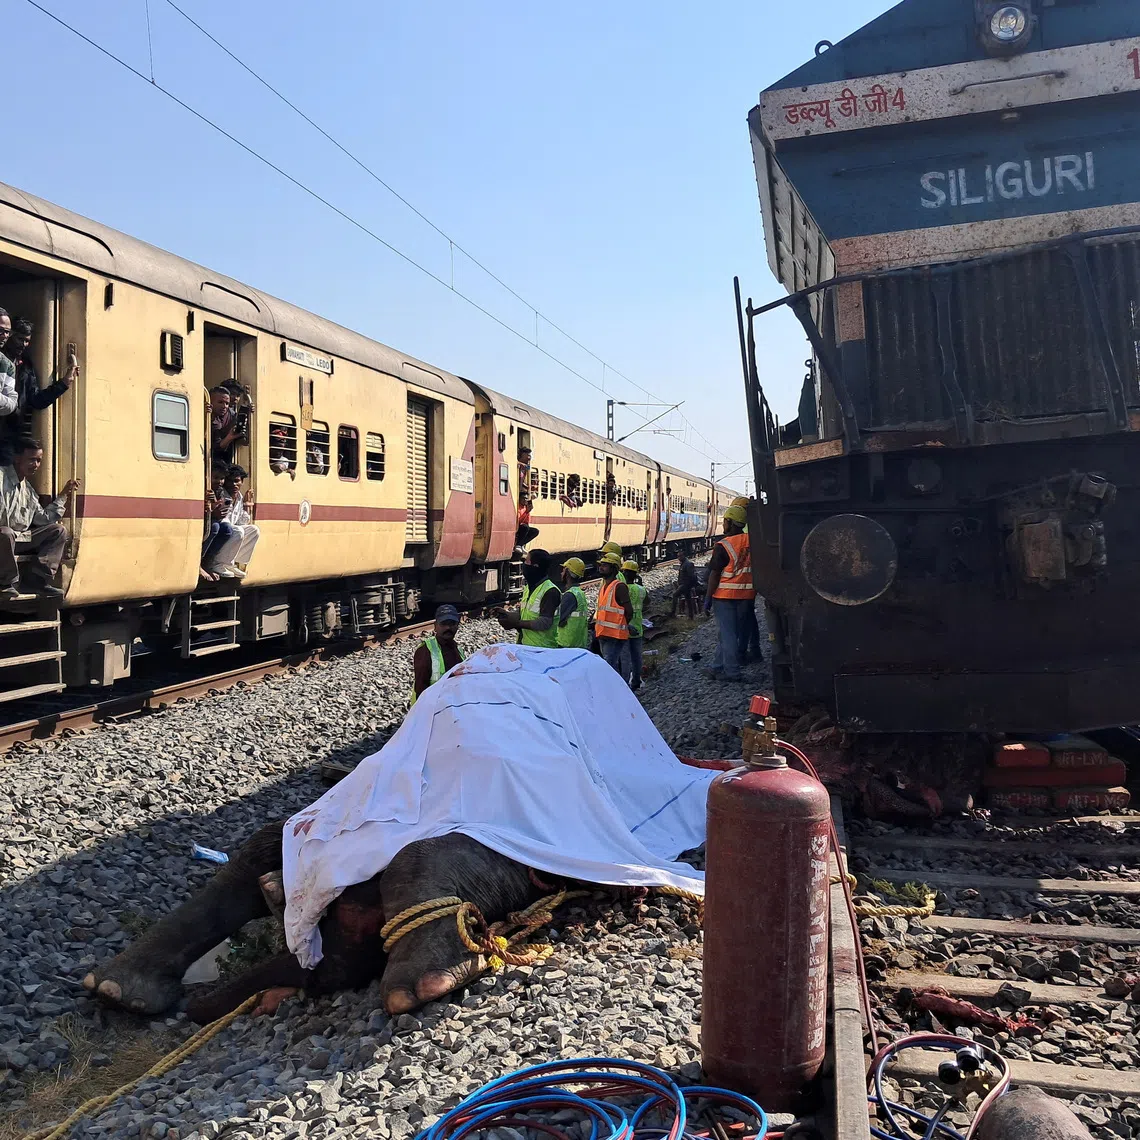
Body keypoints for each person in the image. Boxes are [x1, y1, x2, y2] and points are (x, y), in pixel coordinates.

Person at [0, 437, 79, 599]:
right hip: (3, 537)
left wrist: (63, 495)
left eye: (38, 460)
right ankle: (5, 583)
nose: (36, 465)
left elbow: (42, 519)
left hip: (19, 538)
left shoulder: (27, 489)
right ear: (17, 458)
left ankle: (38, 579)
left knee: (58, 530)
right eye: (31, 460)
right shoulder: (1, 477)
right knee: (5, 532)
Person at [0, 320, 75, 463]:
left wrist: (65, 381)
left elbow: (36, 400)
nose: (23, 344)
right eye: (20, 339)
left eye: (27, 341)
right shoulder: (2, 360)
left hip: (10, 435)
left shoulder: (25, 366)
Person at [704, 504, 755, 682]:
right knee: (729, 634)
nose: (723, 524)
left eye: (725, 521)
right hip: (746, 596)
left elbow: (714, 574)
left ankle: (732, 672)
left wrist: (708, 598)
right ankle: (717, 667)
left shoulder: (723, 545)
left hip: (724, 597)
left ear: (731, 523)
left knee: (728, 635)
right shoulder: (752, 541)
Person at [496, 548, 561, 647]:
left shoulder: (550, 591)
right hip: (527, 646)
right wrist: (507, 614)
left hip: (542, 649)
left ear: (535, 567)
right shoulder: (528, 588)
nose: (524, 564)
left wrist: (516, 624)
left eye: (527, 561)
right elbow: (525, 612)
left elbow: (545, 622)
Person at [212, 465, 260, 579]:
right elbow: (224, 521)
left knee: (254, 530)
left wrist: (246, 505)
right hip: (222, 530)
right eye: (230, 481)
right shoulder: (222, 494)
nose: (234, 484)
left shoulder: (239, 497)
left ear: (242, 482)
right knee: (238, 531)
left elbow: (241, 521)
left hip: (231, 530)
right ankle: (218, 563)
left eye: (237, 481)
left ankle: (232, 563)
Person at [411, 604, 465, 705]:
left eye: (452, 624)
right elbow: (420, 687)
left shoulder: (457, 649)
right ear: (435, 626)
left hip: (449, 705)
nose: (448, 627)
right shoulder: (425, 651)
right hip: (431, 707)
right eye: (444, 624)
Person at [595, 551, 633, 673]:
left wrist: (621, 626)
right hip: (602, 633)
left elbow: (629, 611)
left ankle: (615, 690)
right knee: (609, 664)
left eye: (605, 565)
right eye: (601, 565)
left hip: (614, 635)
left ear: (614, 568)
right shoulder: (604, 587)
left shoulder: (619, 587)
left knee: (609, 665)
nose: (601, 567)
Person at [201, 464, 236, 581]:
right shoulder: (202, 487)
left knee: (227, 529)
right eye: (215, 478)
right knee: (214, 527)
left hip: (213, 519)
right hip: (203, 521)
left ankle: (208, 561)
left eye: (222, 478)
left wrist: (216, 505)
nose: (219, 481)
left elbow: (216, 511)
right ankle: (198, 562)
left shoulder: (220, 491)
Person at [621, 560, 648, 691]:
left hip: (624, 628)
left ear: (625, 573)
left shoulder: (623, 589)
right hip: (637, 628)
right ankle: (636, 681)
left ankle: (625, 684)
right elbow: (648, 603)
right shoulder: (641, 590)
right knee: (637, 657)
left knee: (625, 658)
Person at [556, 557, 590, 649]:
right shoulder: (579, 593)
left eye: (563, 570)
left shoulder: (570, 595)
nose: (561, 573)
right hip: (577, 642)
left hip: (566, 644)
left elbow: (558, 619)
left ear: (567, 572)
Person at [0, 309, 21, 428]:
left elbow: (12, 403)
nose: (5, 336)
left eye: (8, 332)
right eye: (0, 330)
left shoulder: (7, 365)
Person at [209, 387, 241, 463]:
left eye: (227, 403)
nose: (224, 406)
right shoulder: (201, 414)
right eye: (220, 402)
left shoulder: (231, 415)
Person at [672, 554, 699, 620]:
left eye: (680, 556)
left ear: (684, 556)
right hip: (685, 585)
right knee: (688, 599)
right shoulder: (684, 564)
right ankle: (691, 616)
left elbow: (692, 576)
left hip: (685, 585)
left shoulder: (688, 564)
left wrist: (689, 584)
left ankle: (672, 613)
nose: (678, 558)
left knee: (675, 595)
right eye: (678, 556)